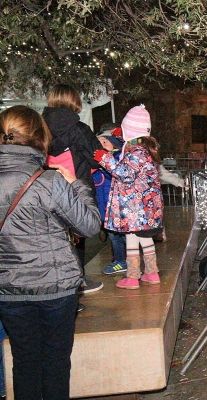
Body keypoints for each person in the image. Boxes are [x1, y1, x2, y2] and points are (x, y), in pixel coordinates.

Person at [0, 105, 100, 399]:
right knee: (56, 364)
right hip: (56, 289)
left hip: (8, 288)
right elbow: (90, 225)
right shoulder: (50, 182)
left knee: (24, 362)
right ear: (40, 137)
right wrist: (77, 185)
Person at [42, 84, 103, 295]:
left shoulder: (39, 127)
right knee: (78, 232)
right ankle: (78, 281)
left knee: (54, 235)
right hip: (75, 189)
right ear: (74, 101)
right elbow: (96, 159)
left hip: (48, 189)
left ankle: (59, 283)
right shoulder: (79, 129)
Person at [95, 105, 163, 290]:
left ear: (131, 132)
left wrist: (105, 159)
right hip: (142, 209)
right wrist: (121, 135)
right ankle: (151, 273)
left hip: (136, 208)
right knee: (141, 239)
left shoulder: (137, 153)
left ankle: (133, 277)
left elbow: (125, 174)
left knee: (134, 239)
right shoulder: (142, 149)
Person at [93, 126, 129, 275]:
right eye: (99, 142)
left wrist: (104, 162)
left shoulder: (118, 158)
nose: (101, 144)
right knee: (114, 236)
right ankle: (120, 259)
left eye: (105, 141)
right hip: (104, 206)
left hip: (117, 206)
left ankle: (125, 260)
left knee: (122, 237)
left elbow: (117, 174)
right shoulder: (97, 160)